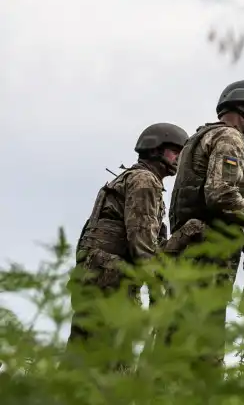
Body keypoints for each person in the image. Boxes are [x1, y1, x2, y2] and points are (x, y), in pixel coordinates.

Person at [165, 79, 244, 372]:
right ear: (243, 105)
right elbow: (221, 192)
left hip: (186, 252)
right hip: (207, 258)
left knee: (172, 343)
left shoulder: (199, 138)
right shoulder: (229, 138)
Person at [66, 122, 189, 370]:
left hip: (98, 279)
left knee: (81, 363)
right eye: (175, 150)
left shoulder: (132, 178)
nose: (179, 158)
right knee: (111, 365)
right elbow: (142, 245)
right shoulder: (145, 181)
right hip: (113, 285)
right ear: (156, 149)